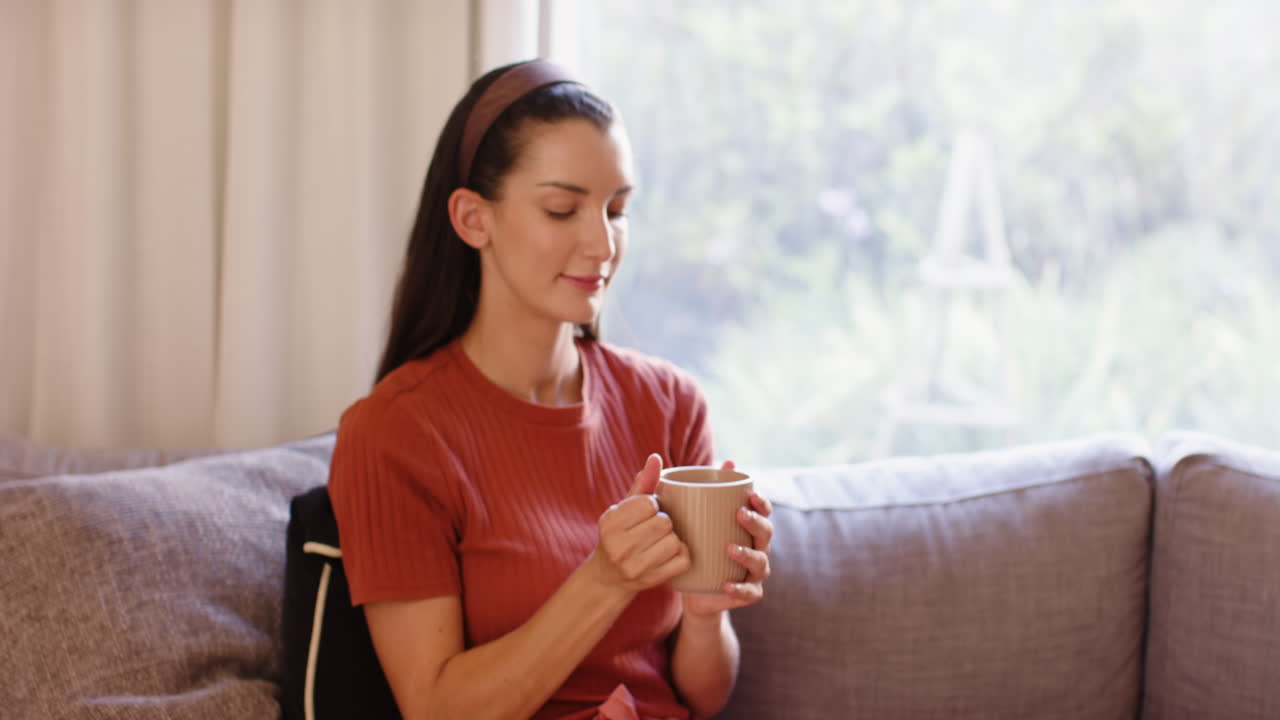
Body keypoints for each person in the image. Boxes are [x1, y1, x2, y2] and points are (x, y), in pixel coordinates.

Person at [327, 58, 774, 720]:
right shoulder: (396, 433)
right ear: (473, 219)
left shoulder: (670, 405)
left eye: (617, 210)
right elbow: (435, 707)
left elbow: (700, 696)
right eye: (562, 209)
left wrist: (707, 615)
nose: (602, 243)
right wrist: (604, 580)